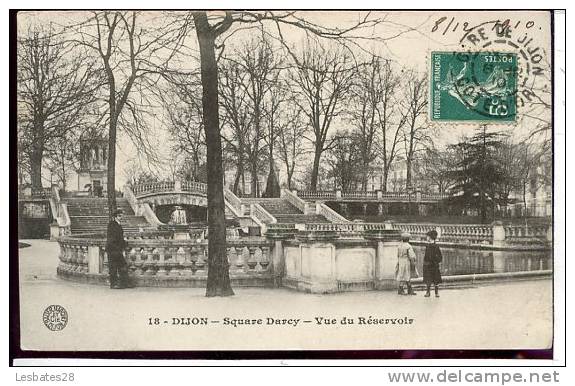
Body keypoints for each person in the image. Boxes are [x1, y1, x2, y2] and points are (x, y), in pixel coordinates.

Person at [106, 209, 130, 289]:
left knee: (122, 265)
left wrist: (124, 243)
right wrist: (118, 247)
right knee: (114, 267)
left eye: (121, 215)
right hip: (113, 249)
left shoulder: (118, 224)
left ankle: (124, 283)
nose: (121, 217)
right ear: (115, 217)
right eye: (119, 216)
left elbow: (120, 238)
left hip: (117, 249)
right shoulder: (112, 225)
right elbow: (112, 238)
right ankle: (114, 284)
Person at [423, 230, 443, 298]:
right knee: (430, 279)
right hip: (430, 265)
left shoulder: (434, 246)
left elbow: (440, 256)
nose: (426, 238)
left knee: (435, 279)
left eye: (427, 237)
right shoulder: (429, 246)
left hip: (433, 265)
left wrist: (435, 261)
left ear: (430, 237)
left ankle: (434, 292)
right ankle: (430, 292)